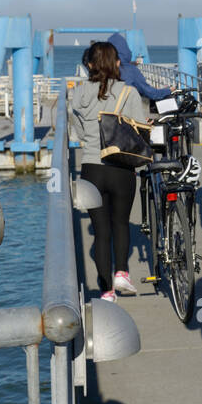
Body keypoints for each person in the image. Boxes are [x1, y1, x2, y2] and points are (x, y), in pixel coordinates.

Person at [68, 41, 146, 302]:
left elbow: (77, 128)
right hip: (121, 168)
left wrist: (90, 141)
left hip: (91, 168)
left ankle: (106, 292)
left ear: (89, 65)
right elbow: (139, 129)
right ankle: (122, 272)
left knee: (100, 231)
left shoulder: (77, 93)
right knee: (121, 223)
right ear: (116, 64)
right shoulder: (129, 93)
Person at [106, 31, 172, 105]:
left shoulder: (103, 69)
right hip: (126, 111)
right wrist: (168, 90)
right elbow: (150, 93)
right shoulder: (130, 70)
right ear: (125, 50)